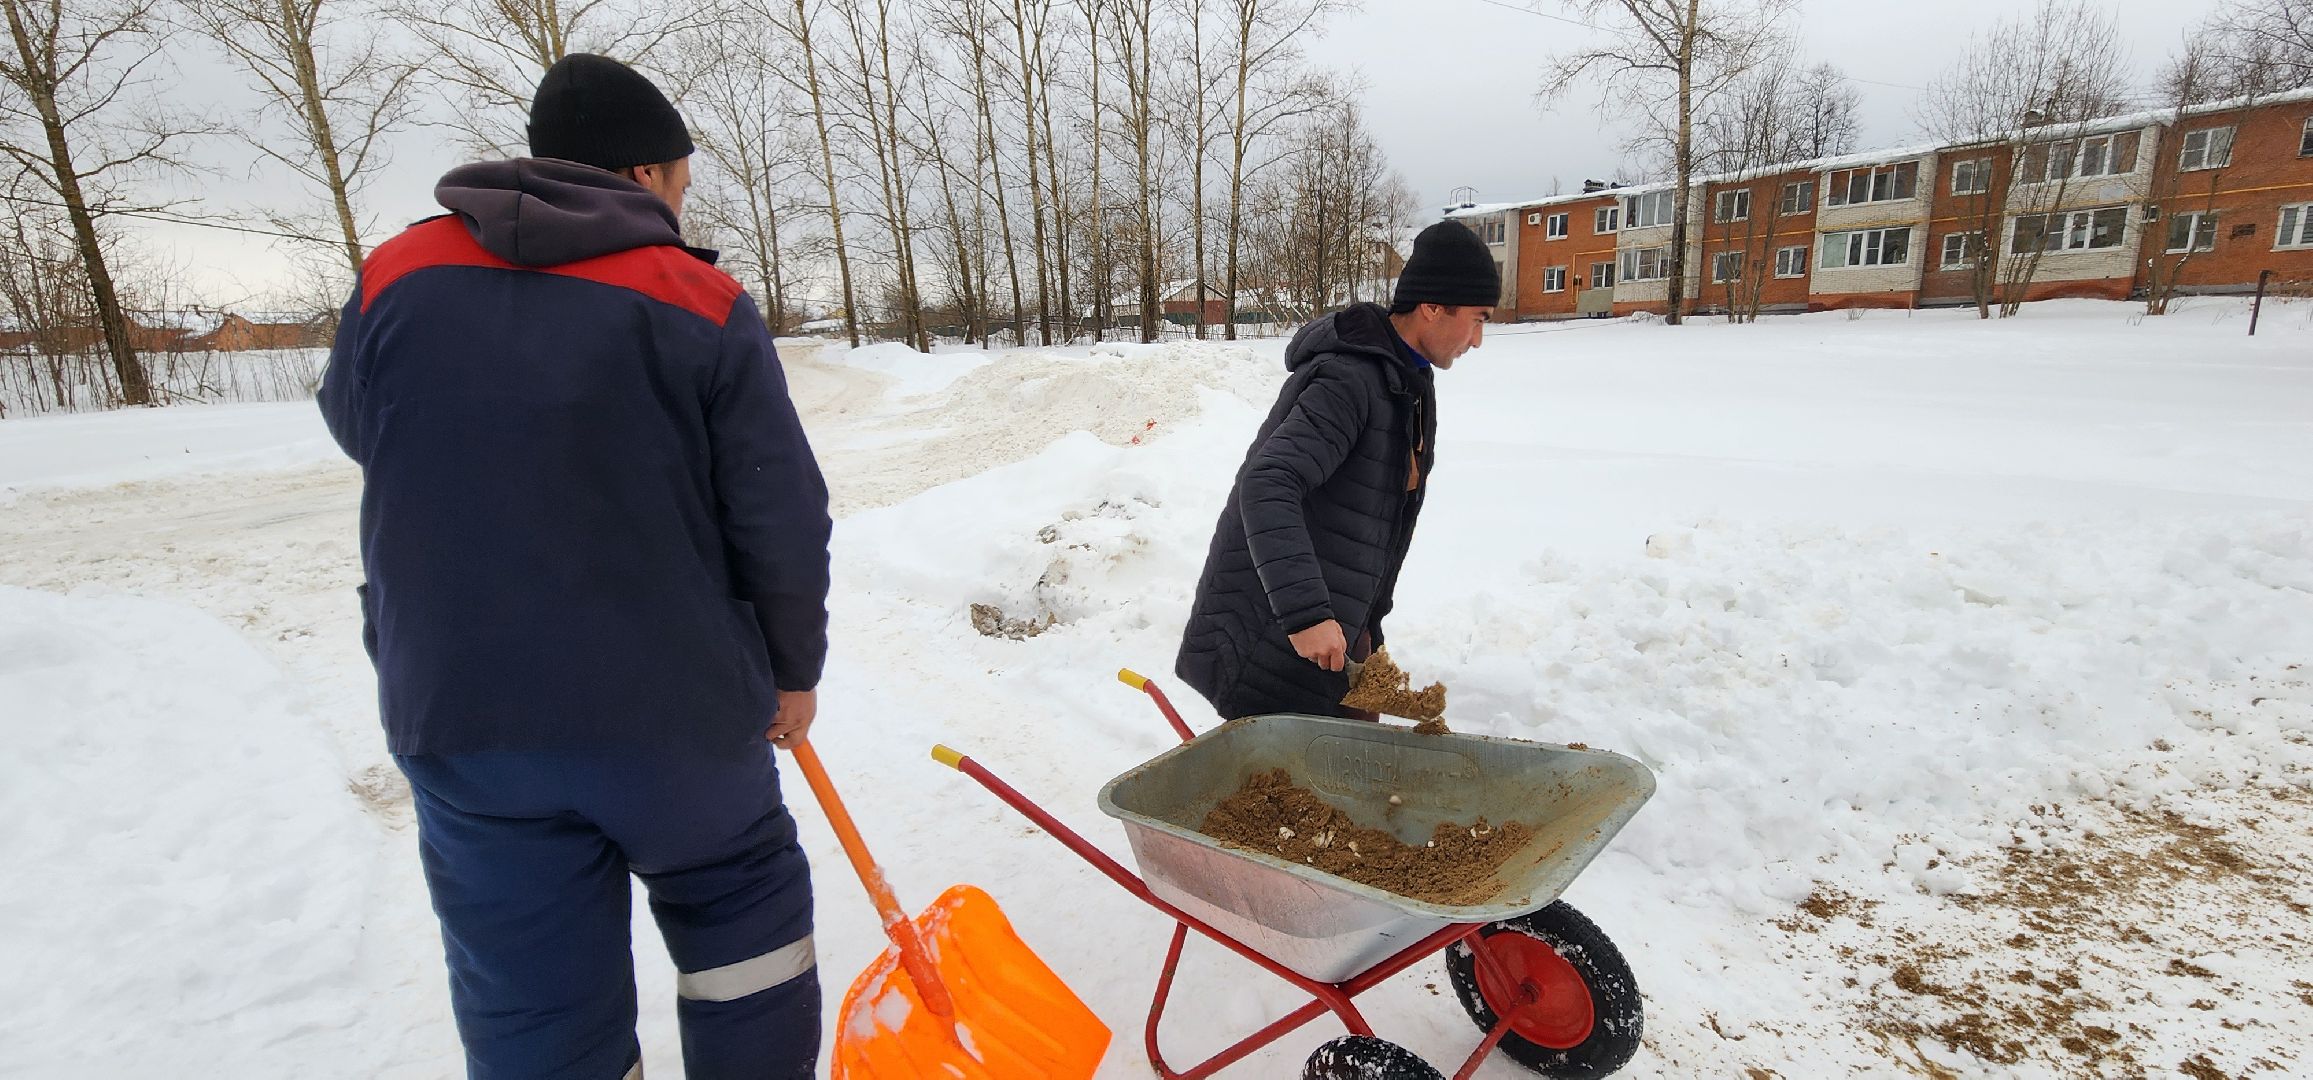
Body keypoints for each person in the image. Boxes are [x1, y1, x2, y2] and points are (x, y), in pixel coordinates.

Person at [318, 53, 830, 1080]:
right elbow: (777, 508)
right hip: (673, 716)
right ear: (642, 174)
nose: (681, 203)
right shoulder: (695, 297)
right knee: (743, 920)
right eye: (680, 181)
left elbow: (356, 424)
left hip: (461, 711)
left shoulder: (396, 276)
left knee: (530, 995)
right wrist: (791, 672)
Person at [1175, 220, 1496, 721]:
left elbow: (1371, 513)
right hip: (1277, 634)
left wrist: (1365, 624)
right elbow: (1268, 482)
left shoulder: (1406, 382)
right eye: (1477, 319)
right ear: (1433, 307)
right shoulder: (1349, 379)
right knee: (1284, 770)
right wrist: (1306, 615)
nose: (1477, 340)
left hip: (1337, 629)